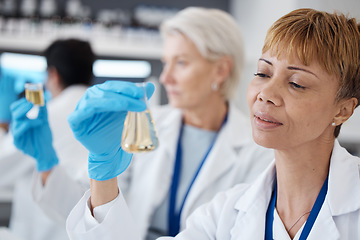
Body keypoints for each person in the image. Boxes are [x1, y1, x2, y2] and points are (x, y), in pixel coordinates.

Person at [66, 7, 360, 240]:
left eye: (296, 83)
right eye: (262, 73)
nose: (266, 94)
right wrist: (103, 169)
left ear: (343, 109)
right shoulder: (224, 213)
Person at [13, 7, 273, 240]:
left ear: (221, 70)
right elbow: (90, 215)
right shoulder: (148, 125)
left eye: (181, 63)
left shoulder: (257, 150)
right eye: (165, 63)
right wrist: (47, 165)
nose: (166, 77)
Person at [3, 39, 94, 240]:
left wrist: (2, 126)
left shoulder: (40, 117)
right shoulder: (105, 118)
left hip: (42, 232)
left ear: (53, 74)